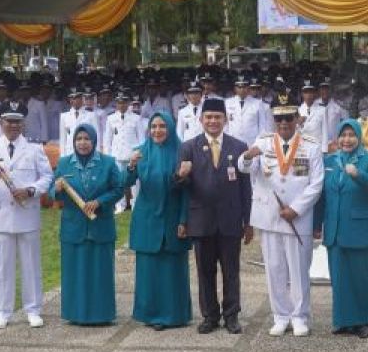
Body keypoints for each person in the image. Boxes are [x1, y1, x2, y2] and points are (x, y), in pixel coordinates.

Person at [240, 90, 325, 337]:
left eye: (289, 118)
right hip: (269, 216)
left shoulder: (311, 146)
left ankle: (299, 316)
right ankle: (280, 315)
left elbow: (317, 183)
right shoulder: (263, 141)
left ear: (298, 118)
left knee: (299, 269)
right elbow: (244, 168)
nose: (284, 123)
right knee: (274, 267)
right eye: (279, 119)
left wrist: (296, 208)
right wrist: (247, 156)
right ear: (273, 120)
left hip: (298, 218)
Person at [0, 101, 53, 329]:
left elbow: (47, 177)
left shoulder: (35, 148)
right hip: (1, 215)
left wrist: (30, 190)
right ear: (1, 122)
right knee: (3, 267)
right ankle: (3, 311)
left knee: (30, 265)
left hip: (27, 213)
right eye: (9, 121)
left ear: (23, 123)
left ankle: (33, 309)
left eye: (18, 121)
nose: (13, 125)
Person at [177, 96, 253, 334]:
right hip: (201, 220)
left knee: (231, 271)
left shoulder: (239, 146)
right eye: (208, 117)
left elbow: (245, 187)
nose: (213, 121)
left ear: (225, 119)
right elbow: (180, 187)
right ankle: (210, 315)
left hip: (230, 220)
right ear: (201, 120)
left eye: (217, 117)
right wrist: (181, 175)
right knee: (205, 271)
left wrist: (248, 221)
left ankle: (231, 315)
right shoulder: (188, 146)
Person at [315, 118, 368, 338]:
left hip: (361, 229)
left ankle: (364, 321)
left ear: (359, 137)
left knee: (361, 276)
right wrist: (316, 225)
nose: (346, 140)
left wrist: (358, 175)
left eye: (351, 135)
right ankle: (343, 321)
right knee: (340, 278)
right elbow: (321, 196)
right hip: (335, 230)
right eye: (343, 135)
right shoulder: (329, 161)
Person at [126, 110, 192, 330]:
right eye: (153, 126)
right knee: (149, 270)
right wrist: (130, 166)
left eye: (162, 126)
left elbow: (187, 191)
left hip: (173, 217)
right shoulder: (141, 152)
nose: (157, 130)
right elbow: (123, 183)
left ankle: (174, 315)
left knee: (172, 269)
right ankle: (150, 314)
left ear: (171, 128)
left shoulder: (182, 152)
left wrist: (184, 220)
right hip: (147, 218)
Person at [53, 123, 124, 325]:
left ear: (94, 141)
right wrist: (56, 188)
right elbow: (53, 193)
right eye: (78, 139)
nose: (82, 143)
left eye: (86, 139)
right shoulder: (64, 163)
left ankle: (101, 314)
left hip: (100, 226)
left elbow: (118, 189)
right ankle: (75, 314)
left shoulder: (108, 163)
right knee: (74, 273)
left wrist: (100, 201)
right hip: (73, 229)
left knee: (100, 272)